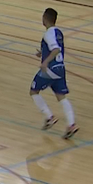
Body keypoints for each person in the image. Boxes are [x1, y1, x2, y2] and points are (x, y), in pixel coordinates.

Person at [30, 8, 78, 139]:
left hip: (50, 69)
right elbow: (56, 48)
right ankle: (71, 124)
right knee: (61, 96)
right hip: (60, 69)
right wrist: (42, 53)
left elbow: (56, 49)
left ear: (44, 18)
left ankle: (49, 117)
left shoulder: (48, 34)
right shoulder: (58, 32)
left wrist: (45, 61)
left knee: (34, 91)